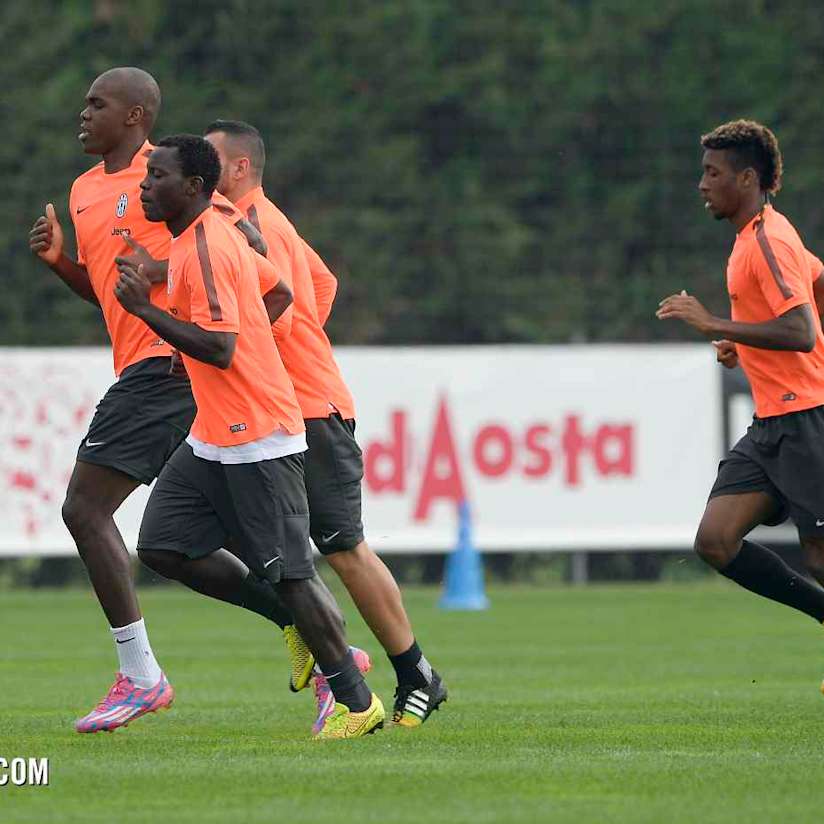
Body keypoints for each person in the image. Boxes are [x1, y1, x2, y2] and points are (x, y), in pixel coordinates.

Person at [27, 67, 310, 733]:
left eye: (97, 103)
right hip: (145, 366)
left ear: (136, 117)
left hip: (169, 368)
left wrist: (187, 299)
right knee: (175, 544)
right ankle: (323, 648)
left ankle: (141, 677)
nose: (83, 112)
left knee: (85, 510)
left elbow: (258, 269)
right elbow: (113, 294)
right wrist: (64, 265)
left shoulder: (173, 181)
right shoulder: (83, 190)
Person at [116, 134, 385, 739]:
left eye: (155, 176)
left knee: (292, 572)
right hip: (213, 433)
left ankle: (357, 701)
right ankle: (290, 625)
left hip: (257, 434)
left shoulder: (208, 245)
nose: (143, 186)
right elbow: (279, 292)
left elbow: (219, 346)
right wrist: (254, 346)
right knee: (162, 544)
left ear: (192, 187)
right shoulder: (203, 237)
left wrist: (146, 310)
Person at [201, 119, 447, 730]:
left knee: (342, 547)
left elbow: (278, 315)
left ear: (238, 169)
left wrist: (290, 349)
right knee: (215, 527)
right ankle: (311, 635)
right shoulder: (248, 221)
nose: (196, 169)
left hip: (308, 408)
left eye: (208, 158)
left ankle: (416, 672)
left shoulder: (255, 226)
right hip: (272, 407)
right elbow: (323, 285)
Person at [658, 120, 824, 676]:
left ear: (747, 177)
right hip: (774, 423)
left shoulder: (769, 241)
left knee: (820, 556)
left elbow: (801, 331)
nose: (702, 184)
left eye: (713, 173)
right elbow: (818, 287)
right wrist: (744, 341)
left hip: (806, 418)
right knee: (715, 540)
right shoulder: (758, 235)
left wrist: (713, 325)